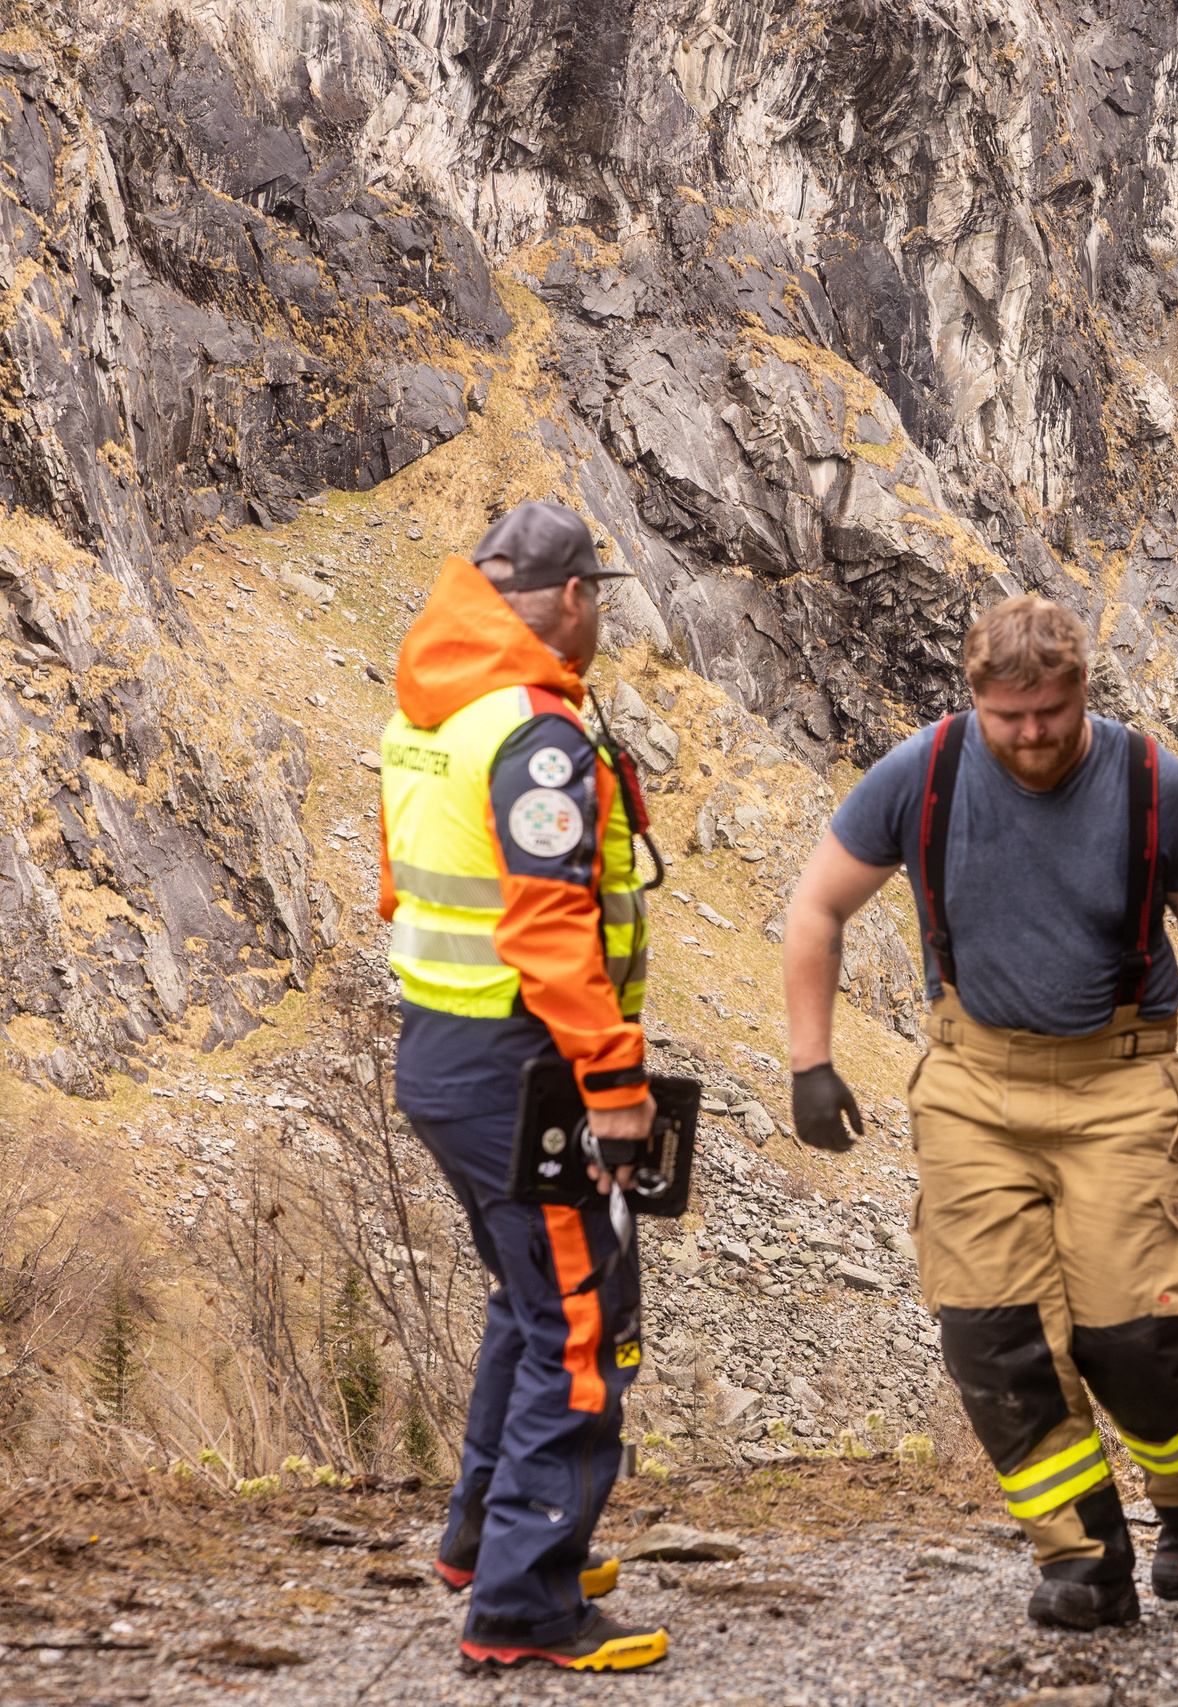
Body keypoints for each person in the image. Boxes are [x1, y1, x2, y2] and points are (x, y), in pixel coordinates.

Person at [780, 593, 1178, 1631]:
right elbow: (816, 908)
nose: (1032, 735)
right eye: (1009, 716)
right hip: (971, 1086)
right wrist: (811, 1063)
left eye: (1050, 710)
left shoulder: (1153, 783)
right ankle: (1081, 1557)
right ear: (975, 700)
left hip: (1120, 1082)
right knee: (990, 1339)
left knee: (1129, 1335)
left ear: (1082, 685)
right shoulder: (923, 775)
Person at [378, 500, 667, 1672]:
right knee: (578, 1322)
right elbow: (549, 925)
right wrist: (613, 1083)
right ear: (572, 598)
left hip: (439, 1046)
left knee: (524, 1297)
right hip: (519, 1062)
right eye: (596, 598)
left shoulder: (432, 701)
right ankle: (524, 1603)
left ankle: (485, 1541)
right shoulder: (535, 731)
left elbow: (403, 883)